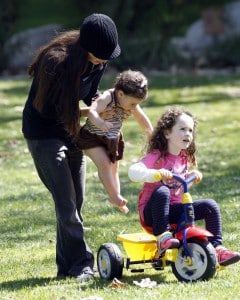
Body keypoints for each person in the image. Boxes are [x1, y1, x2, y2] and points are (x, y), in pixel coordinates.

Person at [22, 13, 122, 282]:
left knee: (76, 202)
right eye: (100, 55)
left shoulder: (97, 60)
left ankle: (66, 268)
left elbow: (91, 95)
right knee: (66, 204)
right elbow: (50, 109)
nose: (104, 61)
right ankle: (81, 265)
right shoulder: (55, 62)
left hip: (71, 129)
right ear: (86, 46)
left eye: (106, 57)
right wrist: (90, 115)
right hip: (44, 133)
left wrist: (104, 110)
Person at [128, 106, 240, 266]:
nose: (188, 133)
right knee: (162, 191)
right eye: (182, 129)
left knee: (210, 205)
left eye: (190, 130)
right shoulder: (157, 156)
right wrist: (153, 174)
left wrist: (189, 178)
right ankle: (162, 237)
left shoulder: (183, 158)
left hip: (173, 210)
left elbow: (177, 188)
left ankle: (217, 248)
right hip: (153, 214)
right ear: (167, 133)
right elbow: (133, 171)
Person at [77, 70, 153, 213]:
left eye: (136, 104)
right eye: (132, 104)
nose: (134, 107)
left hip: (112, 139)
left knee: (114, 168)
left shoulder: (132, 103)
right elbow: (93, 111)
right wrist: (100, 122)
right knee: (104, 164)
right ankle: (114, 196)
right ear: (120, 94)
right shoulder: (108, 97)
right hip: (92, 137)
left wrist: (151, 134)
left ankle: (117, 197)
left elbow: (142, 119)